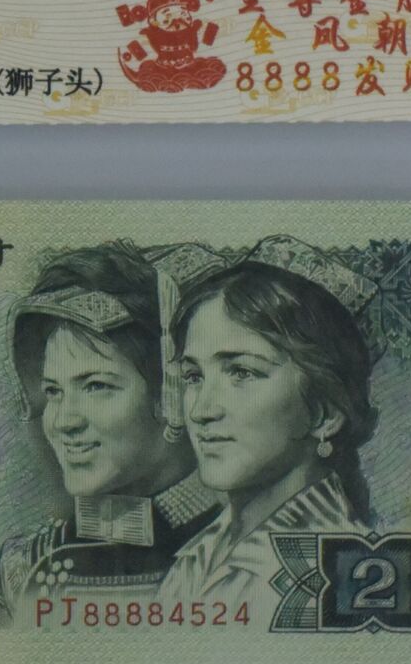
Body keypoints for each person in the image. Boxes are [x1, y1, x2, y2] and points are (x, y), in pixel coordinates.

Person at [0, 241, 225, 625]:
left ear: (172, 394)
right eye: (53, 392)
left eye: (96, 386)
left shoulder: (254, 550)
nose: (63, 421)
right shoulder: (23, 570)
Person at [156, 235, 380, 615]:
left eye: (241, 372)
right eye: (194, 377)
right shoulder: (198, 555)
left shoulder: (339, 573)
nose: (201, 411)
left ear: (325, 412)